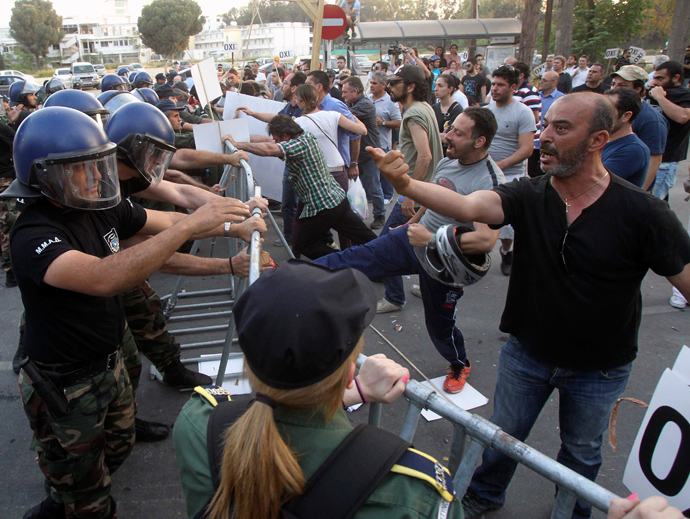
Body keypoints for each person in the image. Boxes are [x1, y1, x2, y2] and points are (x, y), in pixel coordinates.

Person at [370, 91, 690, 519]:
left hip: (600, 367)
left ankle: (574, 511)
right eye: (544, 127)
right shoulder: (528, 194)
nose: (544, 139)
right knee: (503, 436)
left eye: (561, 129)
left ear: (597, 140)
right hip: (526, 355)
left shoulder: (644, 213)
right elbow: (467, 205)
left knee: (581, 453)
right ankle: (484, 494)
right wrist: (406, 185)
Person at [6, 107, 251, 519]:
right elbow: (103, 277)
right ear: (47, 176)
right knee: (86, 495)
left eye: (97, 165)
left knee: (117, 445)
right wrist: (190, 228)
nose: (97, 177)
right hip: (66, 380)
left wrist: (236, 222)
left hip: (108, 364)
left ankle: (73, 489)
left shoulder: (97, 207)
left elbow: (165, 219)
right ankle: (65, 500)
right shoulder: (33, 233)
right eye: (83, 169)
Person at [174, 259, 467, 519]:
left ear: (249, 363)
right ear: (351, 370)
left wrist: (355, 392)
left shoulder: (198, 424)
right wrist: (357, 392)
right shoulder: (414, 492)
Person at [317, 107, 504, 393]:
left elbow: (484, 241)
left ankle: (459, 364)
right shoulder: (448, 162)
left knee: (440, 328)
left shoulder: (491, 181)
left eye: (458, 133)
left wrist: (430, 238)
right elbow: (432, 198)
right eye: (450, 128)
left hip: (444, 263)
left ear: (479, 142)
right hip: (410, 238)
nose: (447, 136)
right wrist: (408, 224)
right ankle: (292, 276)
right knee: (350, 259)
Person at [225, 115, 377, 259]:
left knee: (305, 245)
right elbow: (268, 142)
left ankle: (346, 262)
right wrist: (241, 139)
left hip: (323, 206)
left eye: (277, 139)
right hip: (335, 200)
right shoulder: (305, 137)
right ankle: (384, 260)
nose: (274, 141)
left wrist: (238, 145)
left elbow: (269, 149)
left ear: (285, 137)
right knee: (365, 238)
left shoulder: (300, 145)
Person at [375, 64, 443, 314]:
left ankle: (394, 298)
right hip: (432, 190)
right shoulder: (424, 108)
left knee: (387, 243)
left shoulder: (414, 113)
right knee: (422, 241)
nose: (390, 87)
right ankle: (430, 286)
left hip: (418, 190)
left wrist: (410, 194)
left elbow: (424, 156)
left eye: (395, 82)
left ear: (411, 86)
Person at [486, 65, 537, 275]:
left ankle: (507, 251)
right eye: (493, 84)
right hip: (486, 172)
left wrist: (501, 165)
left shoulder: (523, 113)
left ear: (513, 87)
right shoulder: (487, 110)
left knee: (506, 224)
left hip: (512, 174)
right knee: (479, 214)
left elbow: (527, 149)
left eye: (500, 85)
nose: (494, 89)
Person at [610, 65, 669, 192]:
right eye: (613, 84)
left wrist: (640, 194)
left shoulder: (651, 119)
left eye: (623, 85)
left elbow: (654, 159)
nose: (615, 89)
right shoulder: (611, 112)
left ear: (638, 89)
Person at [341, 76, 386, 229]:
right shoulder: (352, 103)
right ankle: (354, 214)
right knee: (352, 187)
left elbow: (343, 116)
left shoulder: (365, 105)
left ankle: (380, 215)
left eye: (346, 92)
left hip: (369, 153)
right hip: (356, 154)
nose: (343, 96)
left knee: (374, 187)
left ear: (355, 91)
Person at [648, 60, 690, 201]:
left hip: (666, 160)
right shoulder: (651, 92)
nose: (656, 81)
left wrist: (660, 98)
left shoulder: (684, 95)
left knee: (652, 205)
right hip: (647, 156)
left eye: (660, 78)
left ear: (676, 77)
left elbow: (683, 116)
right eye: (654, 77)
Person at [602, 88, 650, 187]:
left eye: (607, 109)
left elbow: (593, 182)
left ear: (626, 116)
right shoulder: (600, 140)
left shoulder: (634, 150)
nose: (599, 113)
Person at [368, 71, 402, 204]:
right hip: (370, 142)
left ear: (384, 85)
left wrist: (382, 122)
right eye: (370, 83)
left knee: (384, 172)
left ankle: (387, 195)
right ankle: (373, 195)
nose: (371, 86)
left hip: (383, 143)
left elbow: (399, 123)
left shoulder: (390, 102)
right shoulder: (368, 99)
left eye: (374, 83)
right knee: (371, 172)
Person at [513, 61, 542, 178]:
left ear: (521, 75)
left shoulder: (529, 91)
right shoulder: (515, 90)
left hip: (530, 141)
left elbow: (534, 118)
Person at [534, 71, 565, 178]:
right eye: (541, 79)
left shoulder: (562, 99)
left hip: (550, 143)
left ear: (554, 83)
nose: (541, 82)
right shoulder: (535, 96)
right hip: (535, 141)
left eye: (544, 80)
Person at [433, 74, 464, 155]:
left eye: (440, 86)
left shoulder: (457, 109)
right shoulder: (434, 108)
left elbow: (450, 137)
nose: (436, 89)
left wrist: (435, 135)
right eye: (436, 85)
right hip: (435, 152)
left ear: (450, 89)